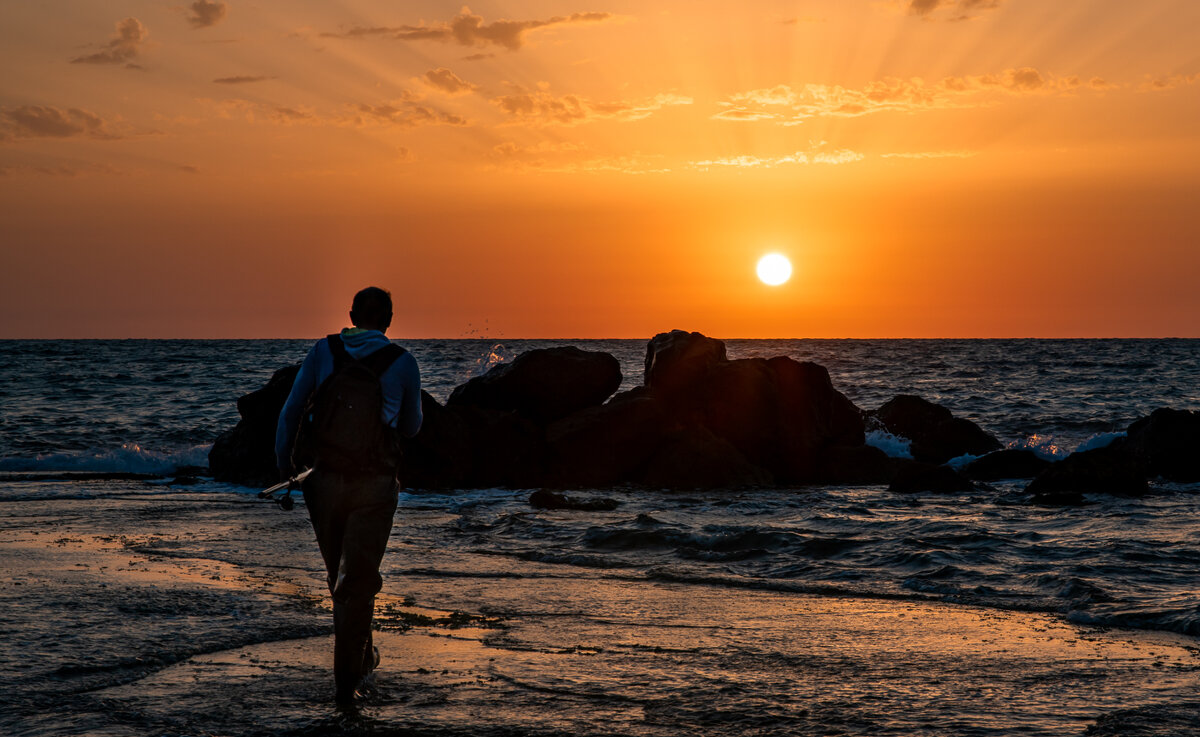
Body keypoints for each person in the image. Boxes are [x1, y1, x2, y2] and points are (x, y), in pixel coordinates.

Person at [275, 286, 422, 706]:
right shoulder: (403, 362)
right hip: (374, 486)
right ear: (389, 320)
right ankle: (347, 686)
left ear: (352, 315)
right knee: (357, 581)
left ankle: (361, 660)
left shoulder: (324, 350)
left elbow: (291, 411)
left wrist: (284, 466)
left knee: (341, 578)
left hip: (323, 483)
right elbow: (410, 428)